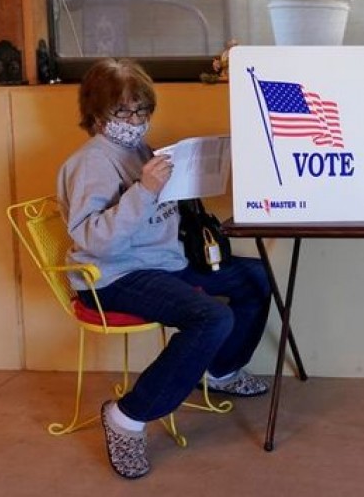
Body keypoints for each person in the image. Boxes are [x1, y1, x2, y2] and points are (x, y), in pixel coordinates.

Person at [57, 58, 271, 479]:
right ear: (97, 113)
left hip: (162, 263)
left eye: (142, 110)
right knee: (211, 317)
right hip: (111, 276)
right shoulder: (92, 163)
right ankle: (127, 416)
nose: (135, 120)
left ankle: (221, 369)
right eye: (123, 111)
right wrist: (145, 190)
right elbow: (94, 239)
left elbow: (160, 211)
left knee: (256, 277)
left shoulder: (140, 149)